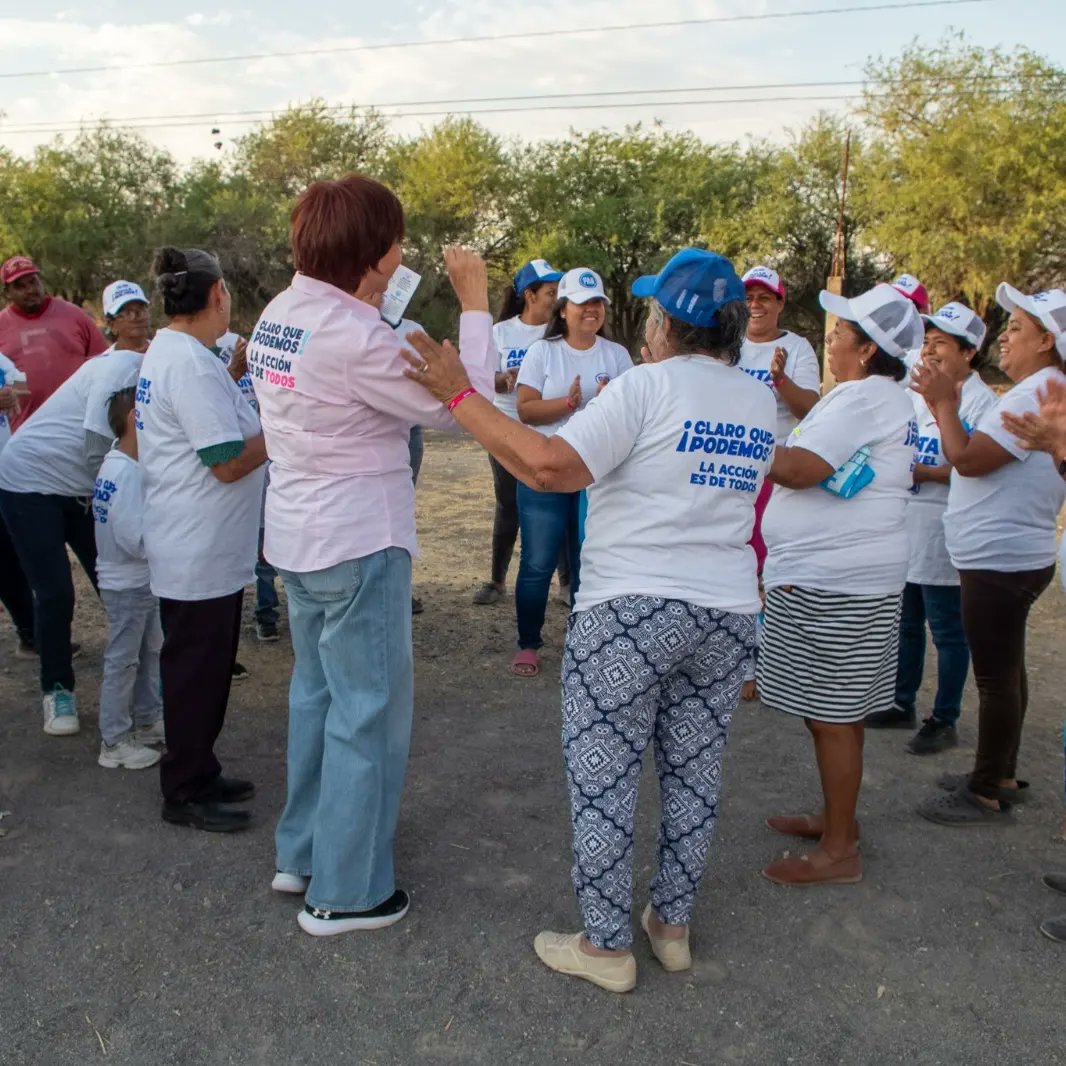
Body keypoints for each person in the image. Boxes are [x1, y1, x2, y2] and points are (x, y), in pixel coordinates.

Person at [403, 247, 774, 993]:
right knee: (694, 774)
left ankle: (606, 946)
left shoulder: (645, 386)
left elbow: (548, 466)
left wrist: (458, 396)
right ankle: (669, 925)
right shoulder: (755, 398)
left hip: (633, 606)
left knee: (604, 776)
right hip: (728, 610)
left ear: (665, 323)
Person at [249, 175, 494, 937]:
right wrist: (476, 301)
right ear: (377, 253)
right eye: (395, 243)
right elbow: (465, 403)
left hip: (299, 537)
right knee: (368, 712)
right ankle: (347, 893)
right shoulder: (358, 338)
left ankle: (305, 852)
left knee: (317, 697)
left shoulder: (280, 315)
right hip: (358, 539)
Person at [757, 284, 922, 885]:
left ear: (870, 348)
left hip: (838, 581)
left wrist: (738, 439)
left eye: (843, 329)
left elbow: (800, 470)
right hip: (835, 575)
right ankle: (836, 819)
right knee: (831, 711)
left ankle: (840, 849)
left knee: (832, 716)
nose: (832, 336)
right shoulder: (865, 396)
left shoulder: (864, 399)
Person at [913, 284, 1066, 826]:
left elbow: (967, 459)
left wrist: (944, 403)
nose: (1005, 337)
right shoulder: (1043, 387)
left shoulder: (1037, 391)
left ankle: (984, 790)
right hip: (1011, 552)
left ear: (1047, 339)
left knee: (997, 678)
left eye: (1018, 328)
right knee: (1008, 672)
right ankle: (998, 772)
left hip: (1001, 557)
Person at [137, 247, 266, 833]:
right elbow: (225, 461)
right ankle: (184, 789)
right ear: (218, 295)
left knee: (206, 669)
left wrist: (234, 378)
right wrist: (288, 430)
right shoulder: (185, 361)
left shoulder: (178, 351)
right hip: (197, 548)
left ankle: (200, 766)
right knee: (195, 672)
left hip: (199, 543)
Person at [0, 279, 148, 735]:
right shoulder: (117, 364)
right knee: (57, 592)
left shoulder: (149, 358)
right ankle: (57, 690)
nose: (137, 316)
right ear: (111, 322)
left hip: (78, 487)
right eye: (126, 311)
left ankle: (144, 681)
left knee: (118, 584)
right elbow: (92, 442)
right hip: (30, 483)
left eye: (142, 307)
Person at [866, 303, 996, 752]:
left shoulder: (981, 401)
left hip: (945, 531)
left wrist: (924, 473)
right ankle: (902, 703)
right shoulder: (915, 393)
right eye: (927, 343)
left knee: (947, 631)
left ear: (969, 353)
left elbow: (973, 464)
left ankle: (945, 718)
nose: (930, 352)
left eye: (941, 344)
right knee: (907, 625)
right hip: (911, 527)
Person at [511, 267, 633, 678]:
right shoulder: (542, 353)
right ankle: (528, 643)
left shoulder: (616, 356)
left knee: (589, 561)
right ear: (563, 310)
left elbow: (634, 416)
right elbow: (526, 409)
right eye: (583, 304)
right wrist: (568, 403)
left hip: (596, 476)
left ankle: (585, 642)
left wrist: (606, 404)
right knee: (538, 562)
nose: (592, 310)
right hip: (544, 471)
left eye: (597, 302)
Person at [472, 258, 563, 606]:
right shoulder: (501, 332)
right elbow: (483, 379)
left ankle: (566, 583)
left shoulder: (558, 332)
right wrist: (502, 378)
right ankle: (496, 581)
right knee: (508, 504)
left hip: (549, 429)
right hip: (505, 429)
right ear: (530, 295)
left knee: (556, 501)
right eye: (551, 292)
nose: (557, 299)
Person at [92, 386, 165, 770]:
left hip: (137, 581)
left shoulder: (119, 465)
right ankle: (115, 740)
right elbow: (134, 537)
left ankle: (148, 721)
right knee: (124, 660)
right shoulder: (126, 473)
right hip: (129, 583)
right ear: (136, 419)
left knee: (148, 653)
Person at [0, 256, 109, 429]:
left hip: (77, 426)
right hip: (22, 433)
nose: (29, 290)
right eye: (20, 286)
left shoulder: (74, 316)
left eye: (33, 282)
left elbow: (105, 365)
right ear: (7, 292)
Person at [213, 330, 271, 657]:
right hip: (238, 455)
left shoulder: (250, 345)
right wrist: (233, 370)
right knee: (249, 540)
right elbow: (210, 398)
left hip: (264, 457)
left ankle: (269, 611)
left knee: (267, 537)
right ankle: (262, 615)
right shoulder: (200, 354)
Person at [739, 266, 821, 443]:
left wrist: (780, 380)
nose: (754, 305)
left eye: (764, 298)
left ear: (780, 304)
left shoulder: (798, 347)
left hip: (777, 459)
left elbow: (809, 410)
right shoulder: (724, 344)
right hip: (727, 457)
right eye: (748, 298)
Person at [0, 350, 34, 655]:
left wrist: (12, 395)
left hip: (4, 473)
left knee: (9, 556)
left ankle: (30, 632)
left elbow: (20, 383)